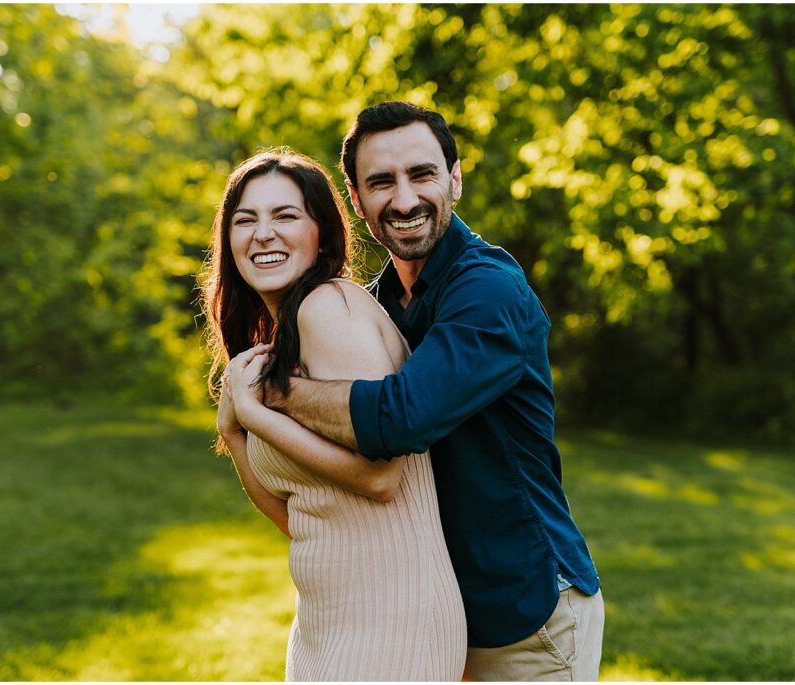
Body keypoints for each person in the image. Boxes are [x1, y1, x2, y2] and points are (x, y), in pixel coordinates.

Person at [254, 101, 605, 681]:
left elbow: (400, 420)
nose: (405, 199)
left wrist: (279, 393)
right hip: (431, 614)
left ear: (455, 179)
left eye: (422, 174)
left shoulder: (488, 291)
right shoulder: (377, 303)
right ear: (357, 198)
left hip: (525, 612)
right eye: (381, 182)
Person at [201, 149, 466, 681]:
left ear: (322, 232)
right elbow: (301, 519)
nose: (263, 234)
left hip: (392, 624)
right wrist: (234, 434)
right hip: (327, 622)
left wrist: (253, 415)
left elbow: (383, 476)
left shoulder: (328, 308)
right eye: (245, 220)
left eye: (285, 215)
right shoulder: (291, 334)